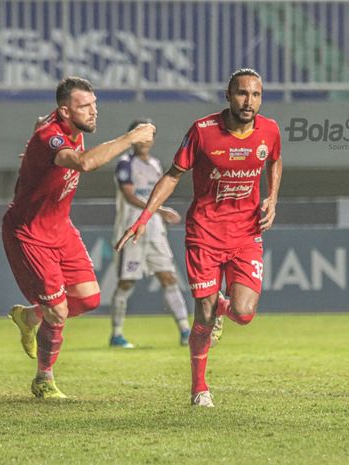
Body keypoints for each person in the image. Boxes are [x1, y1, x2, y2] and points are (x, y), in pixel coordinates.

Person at [116, 68, 282, 407]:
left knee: (244, 313)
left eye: (255, 95)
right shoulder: (203, 131)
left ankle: (224, 305)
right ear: (228, 94)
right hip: (204, 234)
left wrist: (272, 198)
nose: (248, 101)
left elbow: (275, 162)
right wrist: (144, 217)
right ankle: (199, 389)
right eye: (241, 93)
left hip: (246, 234)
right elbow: (173, 176)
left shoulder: (270, 130)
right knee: (203, 315)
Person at [2, 76, 156, 399]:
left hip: (60, 227)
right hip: (29, 232)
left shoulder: (62, 126)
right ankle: (44, 379)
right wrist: (131, 137)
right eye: (84, 106)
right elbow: (84, 163)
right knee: (58, 312)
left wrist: (31, 158)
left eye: (94, 104)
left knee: (89, 298)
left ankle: (29, 317)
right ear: (65, 111)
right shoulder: (52, 137)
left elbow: (37, 125)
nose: (93, 111)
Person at [109, 118, 191, 349]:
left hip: (155, 232)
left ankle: (186, 331)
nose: (145, 140)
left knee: (169, 277)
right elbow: (129, 196)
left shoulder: (156, 164)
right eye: (141, 135)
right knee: (126, 282)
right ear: (132, 138)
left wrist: (159, 212)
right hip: (131, 229)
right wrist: (161, 209)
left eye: (149, 136)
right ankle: (116, 334)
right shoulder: (124, 164)